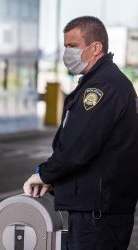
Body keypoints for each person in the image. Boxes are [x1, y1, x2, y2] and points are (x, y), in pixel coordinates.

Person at [23, 16, 138, 250]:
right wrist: (55, 180)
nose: (67, 53)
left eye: (72, 46)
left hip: (98, 214)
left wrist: (45, 174)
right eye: (65, 46)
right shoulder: (102, 82)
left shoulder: (101, 88)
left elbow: (79, 146)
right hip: (98, 209)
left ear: (95, 48)